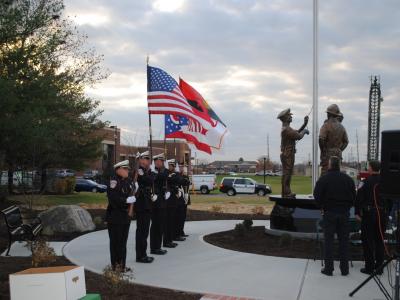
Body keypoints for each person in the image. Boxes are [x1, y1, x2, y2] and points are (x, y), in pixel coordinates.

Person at [314, 156, 356, 276]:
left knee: (329, 241)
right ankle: (344, 269)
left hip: (330, 213)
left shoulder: (324, 179)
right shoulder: (348, 179)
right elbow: (354, 197)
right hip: (344, 213)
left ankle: (329, 269)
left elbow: (317, 196)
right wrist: (347, 207)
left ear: (330, 165)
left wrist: (321, 207)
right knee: (344, 241)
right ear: (339, 165)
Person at [355, 160, 392, 275]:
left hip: (369, 215)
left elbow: (359, 198)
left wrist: (357, 212)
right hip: (382, 215)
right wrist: (387, 212)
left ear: (370, 168)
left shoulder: (365, 182)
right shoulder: (386, 182)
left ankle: (369, 267)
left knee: (368, 241)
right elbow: (390, 200)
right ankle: (379, 267)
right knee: (380, 240)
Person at [106, 160, 136, 271]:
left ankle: (122, 265)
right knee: (115, 243)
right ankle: (115, 266)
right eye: (125, 169)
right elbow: (113, 198)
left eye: (128, 169)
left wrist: (135, 191)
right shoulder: (113, 181)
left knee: (123, 243)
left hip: (125, 217)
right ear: (119, 169)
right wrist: (126, 200)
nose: (128, 171)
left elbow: (132, 193)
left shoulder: (128, 181)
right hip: (115, 217)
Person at [277, 108, 309, 198]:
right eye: (289, 116)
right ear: (285, 118)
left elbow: (296, 132)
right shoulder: (286, 129)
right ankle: (286, 193)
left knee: (287, 173)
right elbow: (298, 136)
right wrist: (305, 131)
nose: (291, 117)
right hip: (288, 154)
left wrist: (304, 124)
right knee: (287, 173)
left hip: (288, 154)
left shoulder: (287, 128)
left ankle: (286, 192)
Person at [135, 151, 156, 263]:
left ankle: (143, 254)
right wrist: (152, 172)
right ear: (141, 160)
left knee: (144, 231)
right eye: (146, 159)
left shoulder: (145, 171)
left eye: (148, 159)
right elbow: (149, 180)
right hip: (142, 205)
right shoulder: (139, 170)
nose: (147, 161)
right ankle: (140, 255)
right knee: (142, 232)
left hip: (146, 204)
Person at [319, 104, 348, 176]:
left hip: (327, 154)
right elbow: (346, 142)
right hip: (338, 154)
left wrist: (323, 150)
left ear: (329, 114)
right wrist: (339, 149)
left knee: (325, 174)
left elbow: (321, 139)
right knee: (336, 174)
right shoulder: (342, 127)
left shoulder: (326, 125)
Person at [149, 153, 168, 255]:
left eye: (162, 161)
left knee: (160, 225)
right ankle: (154, 247)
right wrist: (153, 172)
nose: (162, 163)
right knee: (155, 225)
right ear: (155, 162)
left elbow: (164, 176)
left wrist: (155, 173)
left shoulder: (159, 172)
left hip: (161, 201)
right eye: (160, 161)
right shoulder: (152, 171)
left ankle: (158, 246)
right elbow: (155, 179)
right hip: (155, 202)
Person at [163, 159, 180, 248]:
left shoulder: (174, 175)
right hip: (168, 202)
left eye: (172, 166)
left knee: (171, 221)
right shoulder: (166, 174)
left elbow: (177, 180)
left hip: (173, 201)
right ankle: (166, 241)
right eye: (169, 165)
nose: (170, 167)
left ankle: (170, 240)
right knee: (167, 222)